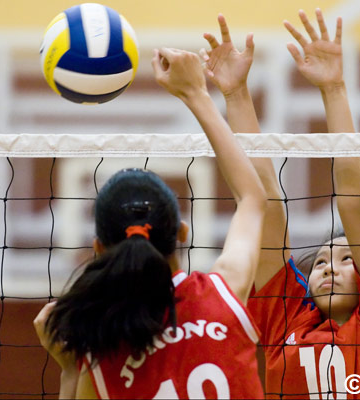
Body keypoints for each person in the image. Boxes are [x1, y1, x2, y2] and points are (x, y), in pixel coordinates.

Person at [200, 10, 360, 399]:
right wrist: (236, 93)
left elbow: (352, 202)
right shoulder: (287, 321)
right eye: (320, 261)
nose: (327, 269)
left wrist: (334, 88)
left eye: (344, 259)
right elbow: (265, 199)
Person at [33, 47, 267, 399]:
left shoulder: (102, 355)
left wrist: (70, 369)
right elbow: (252, 198)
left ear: (98, 249)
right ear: (183, 233)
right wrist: (196, 93)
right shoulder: (223, 296)